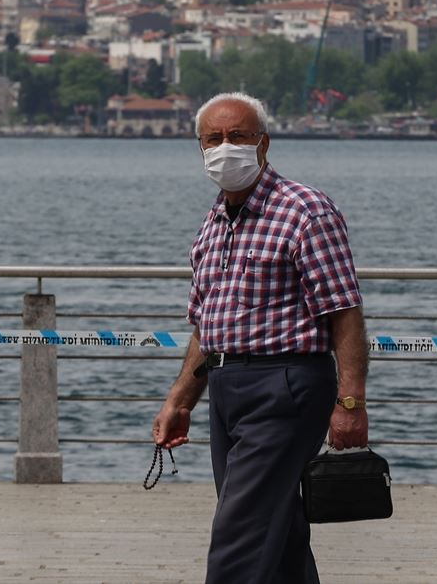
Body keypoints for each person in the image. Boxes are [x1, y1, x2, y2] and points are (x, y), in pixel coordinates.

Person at [152, 92, 369, 584]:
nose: (225, 147)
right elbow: (207, 324)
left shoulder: (306, 211)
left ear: (264, 143)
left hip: (286, 387)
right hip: (227, 389)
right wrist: (180, 400)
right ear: (200, 149)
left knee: (240, 534)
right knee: (278, 532)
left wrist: (351, 402)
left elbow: (345, 312)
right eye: (214, 138)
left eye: (239, 136)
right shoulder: (213, 225)